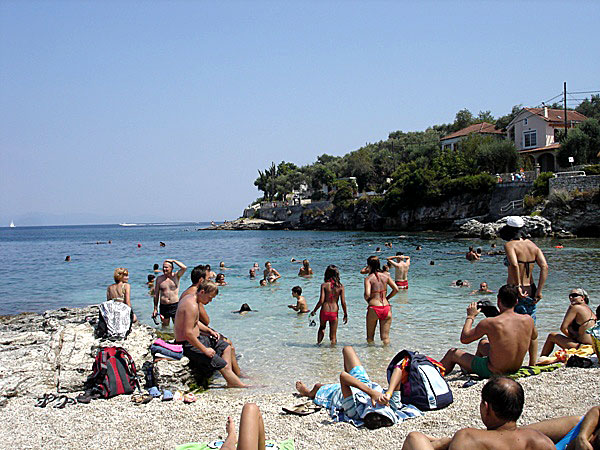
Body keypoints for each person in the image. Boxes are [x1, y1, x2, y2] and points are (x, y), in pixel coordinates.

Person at [401, 377, 555, 450]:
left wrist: (443, 444)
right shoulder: (541, 441)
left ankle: (441, 441)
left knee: (414, 437)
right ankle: (442, 440)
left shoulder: (468, 437)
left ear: (486, 408)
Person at [295, 346, 410, 429]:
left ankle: (308, 393)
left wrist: (371, 393)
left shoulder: (354, 411)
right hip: (363, 382)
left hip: (339, 393)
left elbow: (343, 376)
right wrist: (389, 393)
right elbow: (398, 368)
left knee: (318, 387)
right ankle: (351, 382)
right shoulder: (391, 406)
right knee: (347, 349)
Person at [439, 285, 536, 378]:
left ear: (498, 301)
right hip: (515, 368)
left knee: (452, 353)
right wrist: (532, 363)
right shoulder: (528, 319)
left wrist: (470, 317)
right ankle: (470, 368)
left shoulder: (490, 323)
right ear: (516, 301)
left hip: (494, 370)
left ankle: (435, 375)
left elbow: (464, 339)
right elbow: (534, 337)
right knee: (483, 343)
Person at [174, 281, 246, 388]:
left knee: (226, 347)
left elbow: (195, 321)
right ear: (202, 292)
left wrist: (209, 331)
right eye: (210, 298)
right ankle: (237, 384)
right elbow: (188, 333)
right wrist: (205, 350)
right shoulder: (191, 305)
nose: (210, 301)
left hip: (198, 338)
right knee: (220, 363)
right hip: (188, 344)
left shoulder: (192, 298)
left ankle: (229, 375)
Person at [500, 216, 548, 365]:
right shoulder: (532, 245)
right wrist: (539, 290)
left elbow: (514, 265)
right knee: (531, 327)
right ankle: (532, 363)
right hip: (532, 289)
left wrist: (518, 286)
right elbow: (544, 266)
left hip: (515, 290)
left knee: (512, 326)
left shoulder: (510, 245)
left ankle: (513, 361)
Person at [180, 265, 242, 377]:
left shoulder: (188, 292)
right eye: (208, 279)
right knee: (229, 345)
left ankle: (232, 374)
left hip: (195, 329)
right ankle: (235, 375)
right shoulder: (194, 295)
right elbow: (205, 320)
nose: (210, 281)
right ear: (201, 280)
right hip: (194, 332)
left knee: (226, 343)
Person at [540, 288, 597, 357]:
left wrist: (572, 337)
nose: (571, 297)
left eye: (574, 295)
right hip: (594, 347)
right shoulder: (589, 310)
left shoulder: (575, 307)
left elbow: (563, 328)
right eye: (570, 296)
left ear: (582, 298)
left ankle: (541, 359)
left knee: (552, 336)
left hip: (582, 347)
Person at [364, 256, 398, 346]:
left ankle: (371, 357)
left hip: (374, 307)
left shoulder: (368, 279)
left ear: (369, 265)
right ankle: (386, 356)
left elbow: (367, 294)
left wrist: (369, 301)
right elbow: (396, 289)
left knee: (370, 337)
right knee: (385, 338)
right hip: (386, 307)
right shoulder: (385, 276)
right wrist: (387, 298)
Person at [310, 265, 348, 345]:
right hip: (334, 312)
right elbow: (343, 302)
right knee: (333, 336)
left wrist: (314, 311)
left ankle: (318, 344)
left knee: (322, 328)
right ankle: (333, 353)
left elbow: (321, 301)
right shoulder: (340, 286)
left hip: (324, 311)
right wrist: (345, 314)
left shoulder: (324, 285)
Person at [153, 259, 187, 326]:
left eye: (166, 267)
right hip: (164, 306)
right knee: (165, 327)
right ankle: (166, 336)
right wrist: (155, 308)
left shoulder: (176, 276)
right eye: (163, 267)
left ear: (171, 268)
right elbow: (156, 294)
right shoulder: (159, 279)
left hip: (175, 305)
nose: (164, 269)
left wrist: (173, 261)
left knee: (178, 326)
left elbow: (184, 268)